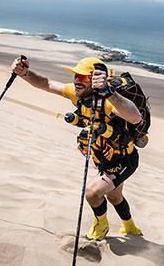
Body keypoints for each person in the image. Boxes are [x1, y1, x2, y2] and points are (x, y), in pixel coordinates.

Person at [11, 56, 143, 241]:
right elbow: (47, 83)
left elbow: (135, 117)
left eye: (82, 77)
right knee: (114, 197)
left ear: (95, 79)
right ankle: (131, 227)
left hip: (124, 159)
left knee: (92, 192)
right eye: (75, 76)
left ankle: (101, 226)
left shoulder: (107, 100)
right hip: (104, 158)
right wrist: (25, 73)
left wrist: (108, 92)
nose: (76, 81)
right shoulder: (77, 93)